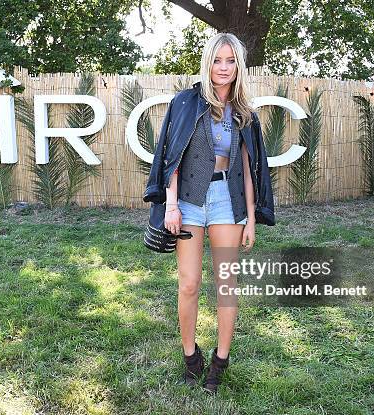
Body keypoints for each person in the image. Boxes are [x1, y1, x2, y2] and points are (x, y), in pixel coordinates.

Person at [143, 32, 276, 394]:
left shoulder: (245, 112)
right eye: (218, 60)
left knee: (226, 286)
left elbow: (249, 169)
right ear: (208, 62)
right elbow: (172, 155)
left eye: (231, 61)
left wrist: (249, 216)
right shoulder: (186, 102)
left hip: (226, 200)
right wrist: (170, 204)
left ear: (239, 66)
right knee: (189, 284)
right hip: (187, 200)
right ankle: (190, 356)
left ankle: (220, 360)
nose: (224, 68)